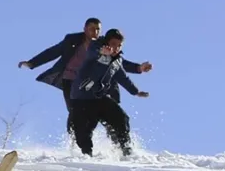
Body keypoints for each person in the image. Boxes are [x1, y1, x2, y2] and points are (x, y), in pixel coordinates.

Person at [18, 18, 152, 136]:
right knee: (75, 110)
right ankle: (74, 139)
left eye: (98, 29)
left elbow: (119, 64)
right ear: (85, 29)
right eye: (91, 29)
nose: (95, 32)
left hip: (96, 85)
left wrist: (138, 68)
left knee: (108, 111)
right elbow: (53, 52)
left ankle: (115, 139)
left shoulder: (104, 44)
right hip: (71, 80)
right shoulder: (73, 40)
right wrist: (32, 63)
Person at [69, 29, 149, 157]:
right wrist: (101, 51)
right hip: (82, 97)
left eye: (119, 45)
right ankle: (86, 154)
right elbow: (92, 52)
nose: (116, 47)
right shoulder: (95, 47)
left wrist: (136, 92)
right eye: (113, 43)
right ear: (107, 41)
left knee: (121, 118)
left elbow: (123, 78)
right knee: (84, 128)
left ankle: (126, 150)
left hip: (99, 97)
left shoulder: (117, 61)